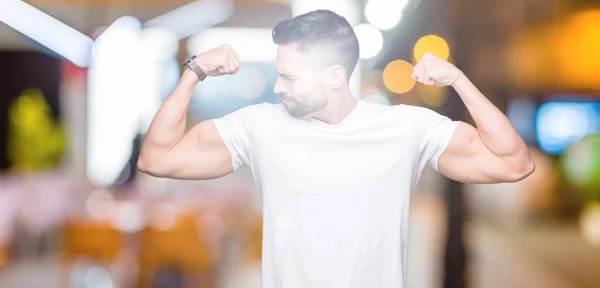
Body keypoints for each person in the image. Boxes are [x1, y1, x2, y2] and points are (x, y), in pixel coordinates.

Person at [138, 9, 535, 288]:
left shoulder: (404, 129)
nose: (278, 87)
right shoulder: (258, 126)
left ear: (333, 76)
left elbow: (513, 163)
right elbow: (157, 157)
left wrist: (458, 80)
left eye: (288, 77)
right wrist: (195, 70)